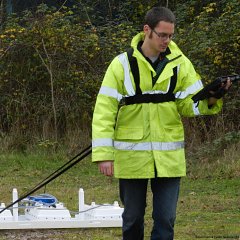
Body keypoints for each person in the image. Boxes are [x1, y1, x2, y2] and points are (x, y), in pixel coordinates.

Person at [91, 6, 231, 240]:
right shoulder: (121, 64)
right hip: (132, 156)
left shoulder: (181, 63)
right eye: (162, 35)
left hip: (168, 157)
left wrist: (214, 96)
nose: (167, 40)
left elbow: (190, 104)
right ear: (147, 30)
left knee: (166, 219)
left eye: (170, 35)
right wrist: (104, 154)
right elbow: (104, 111)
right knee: (132, 219)